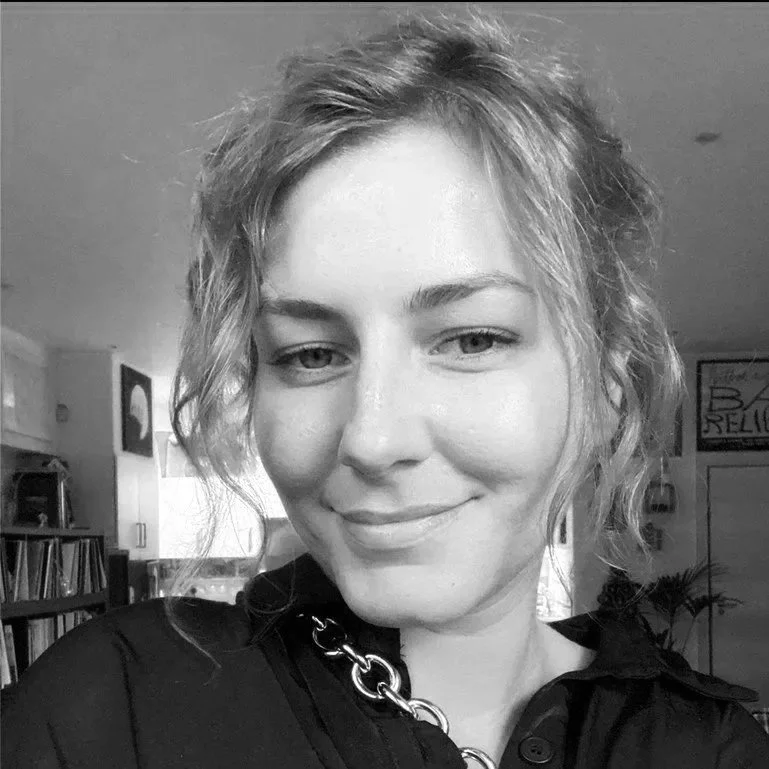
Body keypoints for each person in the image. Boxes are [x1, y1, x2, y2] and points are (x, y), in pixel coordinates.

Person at [3, 8, 768, 768]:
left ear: (606, 386)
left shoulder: (702, 746)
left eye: (472, 338)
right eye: (308, 354)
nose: (371, 438)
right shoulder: (108, 712)